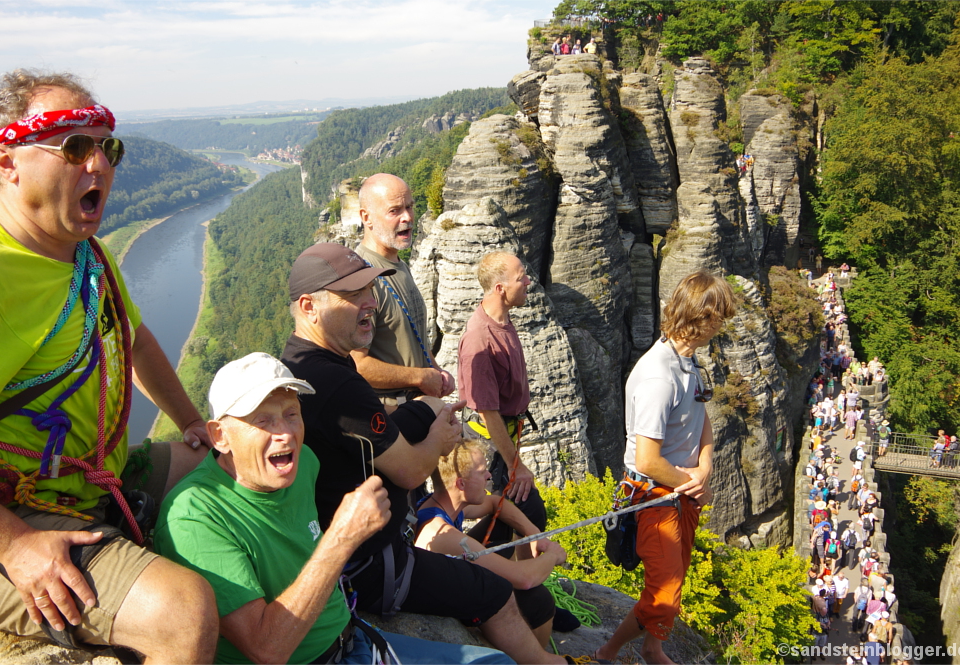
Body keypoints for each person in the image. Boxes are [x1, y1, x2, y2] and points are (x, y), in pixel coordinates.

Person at [0, 69, 217, 662]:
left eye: (107, 148)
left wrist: (192, 422)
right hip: (10, 515)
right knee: (183, 612)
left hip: (87, 483)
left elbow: (134, 341)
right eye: (75, 148)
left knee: (227, 458)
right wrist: (15, 547)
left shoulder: (89, 258)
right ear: (7, 162)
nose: (100, 165)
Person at [280, 243, 572, 665]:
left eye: (369, 290)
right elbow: (413, 472)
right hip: (371, 563)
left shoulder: (305, 360)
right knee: (491, 591)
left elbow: (363, 421)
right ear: (309, 307)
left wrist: (424, 409)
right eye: (353, 296)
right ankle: (547, 663)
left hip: (344, 535)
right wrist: (439, 439)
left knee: (427, 408)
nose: (369, 304)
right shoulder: (336, 382)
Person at [154, 353, 511, 665]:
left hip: (355, 641)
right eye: (263, 421)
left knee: (497, 662)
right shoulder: (194, 517)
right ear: (219, 436)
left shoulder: (303, 465)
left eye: (292, 414)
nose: (285, 434)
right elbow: (266, 650)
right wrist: (342, 536)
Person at [593, 271, 736, 665]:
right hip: (654, 496)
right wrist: (693, 486)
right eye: (718, 317)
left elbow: (700, 416)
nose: (721, 325)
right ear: (701, 318)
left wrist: (704, 465)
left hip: (676, 494)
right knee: (665, 591)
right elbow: (647, 459)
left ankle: (652, 647)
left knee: (671, 581)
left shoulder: (685, 361)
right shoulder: (659, 375)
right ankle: (609, 653)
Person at [415, 439, 565, 648]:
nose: (488, 476)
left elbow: (496, 502)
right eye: (482, 471)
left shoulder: (444, 504)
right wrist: (553, 554)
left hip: (452, 577)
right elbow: (525, 579)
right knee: (538, 599)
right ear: (461, 484)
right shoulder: (441, 533)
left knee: (501, 525)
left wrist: (533, 533)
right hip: (446, 601)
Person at [457, 252, 547, 557]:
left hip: (503, 436)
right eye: (520, 276)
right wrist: (515, 466)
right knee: (526, 513)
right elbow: (488, 413)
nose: (528, 281)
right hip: (490, 442)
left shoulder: (501, 320)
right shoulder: (480, 341)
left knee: (510, 518)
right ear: (499, 287)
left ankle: (509, 582)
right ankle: (496, 576)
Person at [352, 174, 455, 406]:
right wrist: (420, 377)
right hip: (393, 420)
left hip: (418, 409)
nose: (407, 217)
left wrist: (435, 370)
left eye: (409, 206)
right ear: (366, 217)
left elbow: (411, 335)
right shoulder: (360, 278)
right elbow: (358, 365)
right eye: (394, 211)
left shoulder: (399, 265)